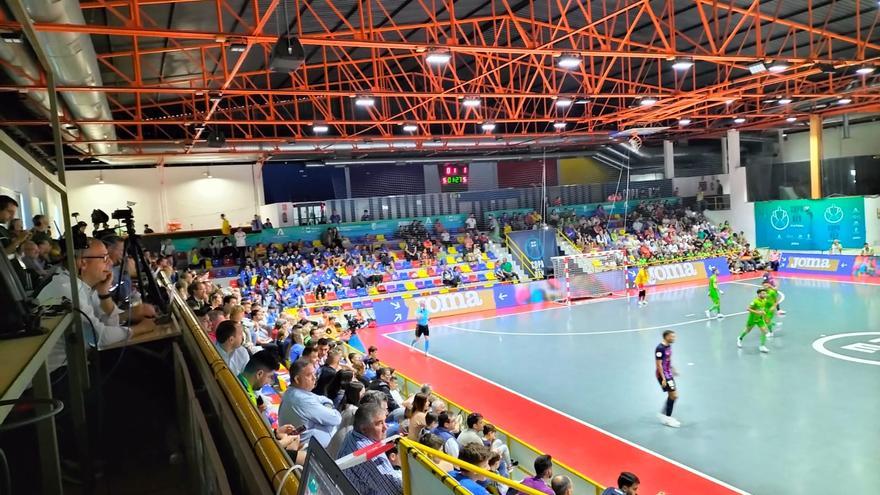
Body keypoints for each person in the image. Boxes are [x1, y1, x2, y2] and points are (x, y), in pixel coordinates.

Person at [37, 238, 156, 372]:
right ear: (83, 262)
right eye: (104, 258)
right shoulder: (66, 290)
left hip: (79, 365)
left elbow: (108, 325)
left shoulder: (83, 286)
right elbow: (99, 337)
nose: (110, 262)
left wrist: (103, 292)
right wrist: (141, 328)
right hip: (60, 376)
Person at [337, 402, 403, 495]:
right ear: (364, 429)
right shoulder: (369, 452)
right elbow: (395, 490)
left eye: (385, 421)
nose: (385, 427)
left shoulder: (352, 434)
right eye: (379, 423)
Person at [278, 358, 342, 447]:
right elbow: (336, 419)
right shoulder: (302, 400)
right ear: (297, 379)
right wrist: (329, 407)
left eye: (314, 374)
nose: (314, 378)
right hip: (310, 453)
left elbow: (322, 399)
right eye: (309, 375)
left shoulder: (293, 391)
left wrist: (327, 405)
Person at [655, 330, 680, 428]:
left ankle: (664, 415)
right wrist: (663, 378)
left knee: (672, 396)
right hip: (663, 375)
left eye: (674, 337)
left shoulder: (668, 346)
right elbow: (659, 364)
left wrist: (673, 369)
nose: (674, 338)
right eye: (672, 337)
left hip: (668, 374)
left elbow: (668, 360)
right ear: (666, 337)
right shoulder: (659, 348)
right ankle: (668, 418)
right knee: (674, 396)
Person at [738, 288, 770, 353]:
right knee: (747, 330)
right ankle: (740, 338)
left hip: (760, 319)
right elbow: (748, 309)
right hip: (752, 319)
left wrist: (764, 315)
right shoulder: (754, 302)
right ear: (759, 294)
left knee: (764, 331)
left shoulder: (764, 300)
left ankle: (762, 346)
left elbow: (762, 309)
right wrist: (757, 312)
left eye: (765, 293)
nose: (765, 295)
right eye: (763, 293)